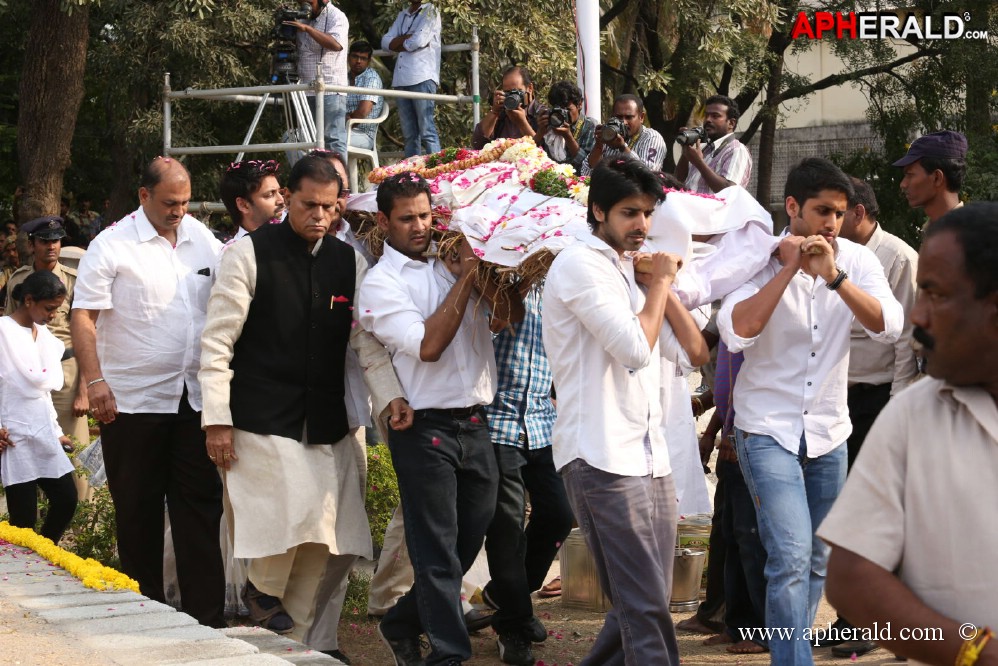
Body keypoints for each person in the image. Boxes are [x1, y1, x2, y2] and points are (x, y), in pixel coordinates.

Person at [200, 156, 411, 654]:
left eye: (329, 206)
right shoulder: (247, 254)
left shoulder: (348, 261)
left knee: (325, 537)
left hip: (326, 420)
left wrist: (392, 398)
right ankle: (259, 591)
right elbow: (216, 343)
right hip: (259, 418)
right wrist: (216, 421)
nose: (319, 215)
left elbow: (366, 344)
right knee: (289, 516)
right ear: (286, 199)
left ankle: (289, 646)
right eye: (308, 204)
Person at [717, 157, 904, 665]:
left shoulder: (856, 261)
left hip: (827, 431)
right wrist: (790, 270)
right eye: (823, 211)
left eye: (840, 214)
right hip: (766, 430)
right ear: (794, 207)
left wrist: (835, 277)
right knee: (792, 555)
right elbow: (737, 331)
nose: (831, 224)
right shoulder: (757, 257)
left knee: (818, 557)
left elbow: (891, 324)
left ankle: (789, 652)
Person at [820, 204, 998, 666]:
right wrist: (974, 653)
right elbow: (850, 579)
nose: (916, 316)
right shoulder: (913, 417)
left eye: (934, 295)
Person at [359, 172, 522, 665]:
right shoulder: (380, 282)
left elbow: (507, 316)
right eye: (407, 218)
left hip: (474, 420)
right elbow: (428, 347)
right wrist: (468, 276)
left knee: (466, 539)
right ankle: (450, 655)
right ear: (384, 221)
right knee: (435, 551)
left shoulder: (451, 257)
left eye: (426, 215)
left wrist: (485, 271)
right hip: (423, 427)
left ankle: (401, 622)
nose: (419, 226)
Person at [70, 157, 226, 628]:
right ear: (143, 196)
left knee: (199, 510)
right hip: (131, 401)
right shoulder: (111, 244)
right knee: (136, 511)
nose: (179, 211)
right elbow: (84, 317)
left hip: (192, 399)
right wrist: (94, 382)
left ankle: (206, 619)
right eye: (169, 203)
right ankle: (145, 613)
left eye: (184, 202)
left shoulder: (201, 236)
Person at [543, 158, 682, 665]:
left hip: (649, 455)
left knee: (644, 603)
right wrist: (661, 284)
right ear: (598, 210)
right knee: (644, 608)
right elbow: (634, 349)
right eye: (629, 213)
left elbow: (692, 351)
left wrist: (658, 282)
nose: (642, 226)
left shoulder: (628, 269)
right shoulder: (580, 265)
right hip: (600, 455)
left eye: (647, 213)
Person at [479, 278, 575, 663]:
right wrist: (511, 284)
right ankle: (512, 624)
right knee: (507, 525)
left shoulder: (556, 287)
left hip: (541, 422)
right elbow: (489, 325)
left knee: (559, 515)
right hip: (495, 421)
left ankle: (507, 597)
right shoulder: (493, 282)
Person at [0, 270, 77, 544]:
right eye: (49, 309)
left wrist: (56, 431)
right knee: (24, 520)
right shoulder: (2, 332)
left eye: (56, 310)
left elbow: (42, 392)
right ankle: (25, 578)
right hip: (14, 436)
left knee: (67, 500)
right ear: (29, 300)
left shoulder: (45, 337)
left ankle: (45, 551)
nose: (53, 316)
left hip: (43, 430)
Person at [4, 216, 88, 454]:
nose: (51, 246)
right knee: (25, 448)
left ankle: (79, 495)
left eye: (56, 240)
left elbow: (86, 336)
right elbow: (9, 330)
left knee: (75, 452)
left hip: (66, 375)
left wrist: (84, 391)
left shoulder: (73, 281)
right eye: (44, 241)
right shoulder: (18, 280)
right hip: (25, 374)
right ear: (32, 245)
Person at [287, 0, 349, 156]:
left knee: (332, 139)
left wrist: (307, 29)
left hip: (329, 89)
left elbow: (336, 44)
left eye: (309, 2)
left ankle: (340, 179)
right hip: (305, 89)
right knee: (308, 140)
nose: (305, 5)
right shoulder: (301, 17)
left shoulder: (337, 16)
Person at [382, 0, 442, 157]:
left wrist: (398, 42)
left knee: (427, 130)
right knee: (409, 135)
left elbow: (419, 40)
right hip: (401, 79)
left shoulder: (431, 10)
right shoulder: (403, 14)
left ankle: (438, 173)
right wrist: (406, 39)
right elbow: (385, 42)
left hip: (422, 76)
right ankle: (412, 176)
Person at [674, 94, 753, 194]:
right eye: (706, 115)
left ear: (731, 123)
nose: (708, 120)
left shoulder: (737, 150)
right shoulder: (702, 148)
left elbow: (729, 190)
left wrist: (699, 163)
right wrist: (686, 151)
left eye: (715, 116)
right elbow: (678, 180)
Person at [894, 129, 967, 227]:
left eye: (910, 175)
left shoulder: (967, 235)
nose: (903, 184)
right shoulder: (932, 229)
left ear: (937, 178)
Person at [581, 94, 666, 176]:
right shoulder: (610, 134)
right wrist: (598, 145)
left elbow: (648, 176)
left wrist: (623, 147)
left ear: (641, 117)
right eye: (619, 117)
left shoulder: (652, 138)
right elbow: (586, 173)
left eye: (629, 117)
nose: (624, 122)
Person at [535, 80, 597, 175]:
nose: (562, 114)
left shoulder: (590, 126)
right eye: (558, 109)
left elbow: (588, 166)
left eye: (567, 109)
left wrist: (568, 137)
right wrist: (540, 132)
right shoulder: (549, 122)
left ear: (580, 104)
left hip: (578, 185)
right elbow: (532, 155)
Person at [472, 66, 541, 150]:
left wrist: (522, 123)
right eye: (507, 92)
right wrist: (494, 111)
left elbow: (545, 151)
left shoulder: (541, 114)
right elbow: (478, 145)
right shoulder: (501, 114)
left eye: (517, 92)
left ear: (530, 88)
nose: (512, 97)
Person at [219, 159, 286, 241]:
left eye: (280, 192)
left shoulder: (296, 234)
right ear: (243, 205)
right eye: (270, 194)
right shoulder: (238, 252)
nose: (281, 200)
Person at [346, 41, 386, 151]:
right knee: (299, 135)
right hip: (343, 130)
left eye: (363, 58)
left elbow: (362, 112)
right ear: (348, 57)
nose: (358, 61)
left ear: (368, 61)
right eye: (355, 56)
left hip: (363, 135)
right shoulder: (343, 77)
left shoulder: (371, 78)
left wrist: (341, 123)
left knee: (328, 138)